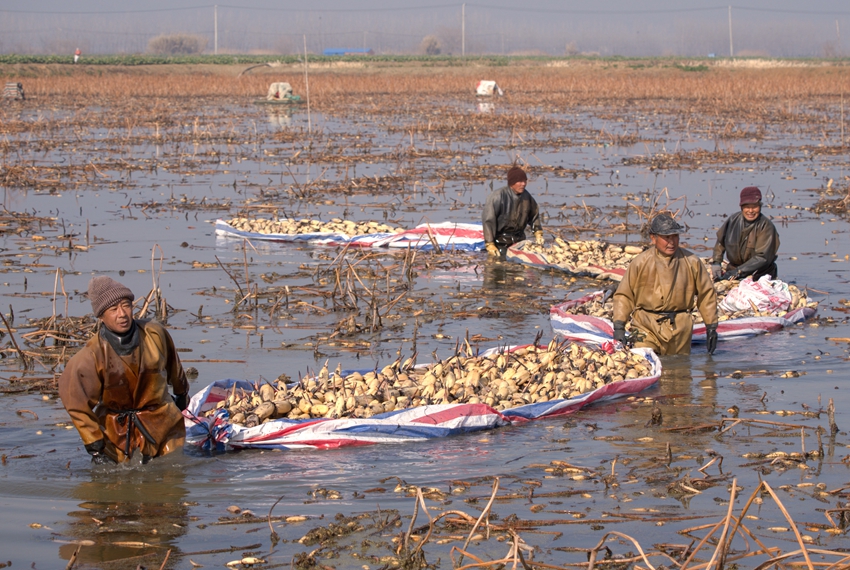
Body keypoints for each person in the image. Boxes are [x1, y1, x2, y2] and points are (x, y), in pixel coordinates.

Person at [59, 276, 189, 464]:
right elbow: (76, 403)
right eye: (113, 309)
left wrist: (182, 393)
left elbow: (174, 367)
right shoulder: (90, 356)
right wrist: (95, 446)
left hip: (163, 423)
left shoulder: (155, 334)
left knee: (171, 479)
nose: (122, 314)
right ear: (101, 316)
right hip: (116, 431)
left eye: (126, 305)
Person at [612, 214, 718, 356]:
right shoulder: (640, 262)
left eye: (675, 236)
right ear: (653, 238)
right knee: (645, 362)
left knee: (680, 371)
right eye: (666, 237)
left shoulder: (692, 262)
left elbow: (706, 294)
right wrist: (619, 326)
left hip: (680, 327)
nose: (671, 242)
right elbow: (624, 295)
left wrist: (711, 327)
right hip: (646, 324)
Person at [710, 186, 779, 281]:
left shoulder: (766, 226)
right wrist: (716, 262)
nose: (750, 211)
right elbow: (720, 243)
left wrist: (739, 271)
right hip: (733, 271)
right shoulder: (733, 220)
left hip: (759, 274)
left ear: (760, 207)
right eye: (747, 207)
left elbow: (762, 257)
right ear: (741, 207)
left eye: (754, 207)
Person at [482, 165, 543, 257]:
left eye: (525, 181)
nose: (523, 184)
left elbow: (534, 215)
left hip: (520, 241)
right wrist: (490, 244)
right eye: (520, 181)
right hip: (500, 241)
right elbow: (488, 221)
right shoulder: (497, 196)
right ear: (511, 183)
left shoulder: (527, 196)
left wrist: (538, 233)